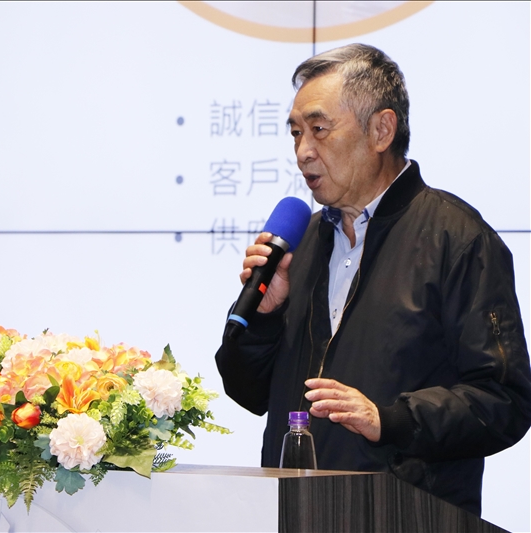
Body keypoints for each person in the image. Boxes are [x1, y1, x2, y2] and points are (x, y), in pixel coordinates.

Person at [214, 43, 531, 516]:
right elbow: (248, 393)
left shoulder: (457, 239)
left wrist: (390, 419)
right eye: (296, 133)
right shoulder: (300, 246)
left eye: (319, 130)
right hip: (297, 512)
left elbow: (504, 400)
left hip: (411, 516)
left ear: (382, 130)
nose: (303, 152)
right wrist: (263, 317)